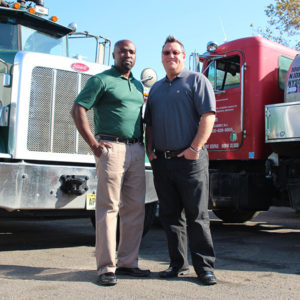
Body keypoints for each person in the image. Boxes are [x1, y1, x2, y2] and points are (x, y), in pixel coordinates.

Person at [71, 40, 150, 286]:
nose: (127, 55)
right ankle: (106, 268)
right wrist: (94, 145)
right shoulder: (101, 80)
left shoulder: (138, 85)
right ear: (114, 55)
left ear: (136, 56)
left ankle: (128, 263)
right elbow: (77, 109)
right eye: (123, 51)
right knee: (108, 208)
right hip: (111, 148)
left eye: (132, 51)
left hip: (137, 149)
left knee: (136, 208)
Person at [144, 36, 217, 285]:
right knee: (170, 216)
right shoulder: (156, 88)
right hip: (163, 163)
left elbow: (208, 116)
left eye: (175, 52)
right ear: (161, 57)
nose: (171, 56)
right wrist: (149, 151)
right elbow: (149, 124)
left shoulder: (197, 80)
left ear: (183, 56)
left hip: (191, 161)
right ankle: (177, 264)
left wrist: (195, 148)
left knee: (197, 216)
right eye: (166, 53)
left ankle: (205, 268)